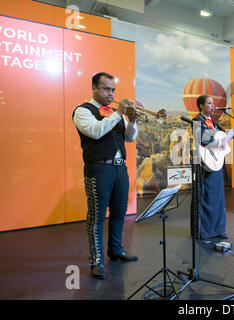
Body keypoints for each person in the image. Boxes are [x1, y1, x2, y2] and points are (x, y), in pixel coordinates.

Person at [73, 72, 139, 279]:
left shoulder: (113, 112)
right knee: (97, 216)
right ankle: (96, 260)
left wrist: (133, 121)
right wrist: (118, 114)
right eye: (106, 89)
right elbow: (95, 131)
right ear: (93, 88)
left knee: (120, 212)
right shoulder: (83, 110)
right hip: (98, 169)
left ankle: (116, 250)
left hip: (120, 168)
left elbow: (129, 138)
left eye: (113, 90)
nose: (110, 93)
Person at [192, 95, 234, 240]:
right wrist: (219, 144)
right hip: (203, 164)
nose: (213, 106)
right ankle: (204, 231)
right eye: (209, 103)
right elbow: (201, 139)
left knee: (218, 198)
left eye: (213, 103)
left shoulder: (212, 123)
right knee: (205, 198)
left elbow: (223, 136)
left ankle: (218, 229)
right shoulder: (197, 120)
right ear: (201, 106)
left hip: (216, 162)